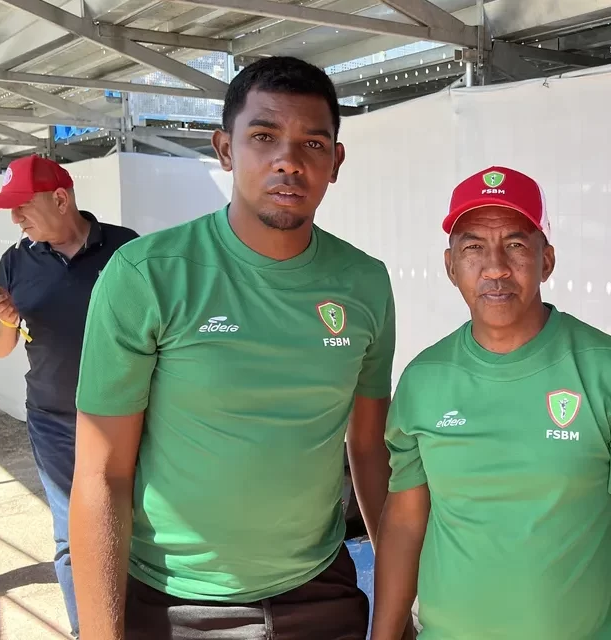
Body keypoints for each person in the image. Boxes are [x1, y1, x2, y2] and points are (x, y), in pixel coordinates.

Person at [69, 56, 396, 640]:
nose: (289, 162)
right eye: (263, 137)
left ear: (336, 162)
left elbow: (368, 447)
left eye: (313, 143)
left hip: (322, 591)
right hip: (174, 602)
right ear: (225, 149)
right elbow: (101, 472)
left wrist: (396, 596)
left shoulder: (365, 283)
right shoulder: (148, 275)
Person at [371, 166, 611, 640]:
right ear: (450, 266)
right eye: (473, 248)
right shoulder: (424, 380)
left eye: (516, 245)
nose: (496, 267)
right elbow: (405, 520)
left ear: (547, 260)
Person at [0, 155, 140, 638]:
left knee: (138, 530)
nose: (15, 218)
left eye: (21, 206)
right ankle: (89, 630)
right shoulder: (16, 260)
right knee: (74, 539)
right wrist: (3, 319)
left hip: (130, 416)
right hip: (54, 421)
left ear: (61, 199)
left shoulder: (126, 248)